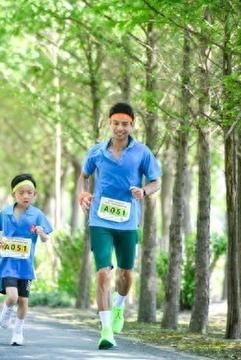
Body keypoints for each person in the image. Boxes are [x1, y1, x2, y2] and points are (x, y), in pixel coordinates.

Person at [78, 102, 162, 350]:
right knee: (103, 272)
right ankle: (105, 330)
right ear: (109, 123)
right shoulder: (96, 152)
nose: (120, 128)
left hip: (127, 221)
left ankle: (119, 305)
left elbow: (156, 181)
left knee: (125, 274)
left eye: (125, 123)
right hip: (99, 219)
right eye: (115, 123)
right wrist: (83, 195)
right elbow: (84, 176)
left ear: (132, 125)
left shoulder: (142, 152)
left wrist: (143, 191)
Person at [0, 173, 53, 346]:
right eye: (22, 192)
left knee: (24, 301)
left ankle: (17, 332)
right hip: (8, 262)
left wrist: (41, 232)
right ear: (14, 195)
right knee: (12, 297)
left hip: (26, 265)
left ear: (35, 195)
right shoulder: (5, 213)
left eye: (30, 192)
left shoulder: (37, 214)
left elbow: (46, 237)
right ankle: (7, 309)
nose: (26, 196)